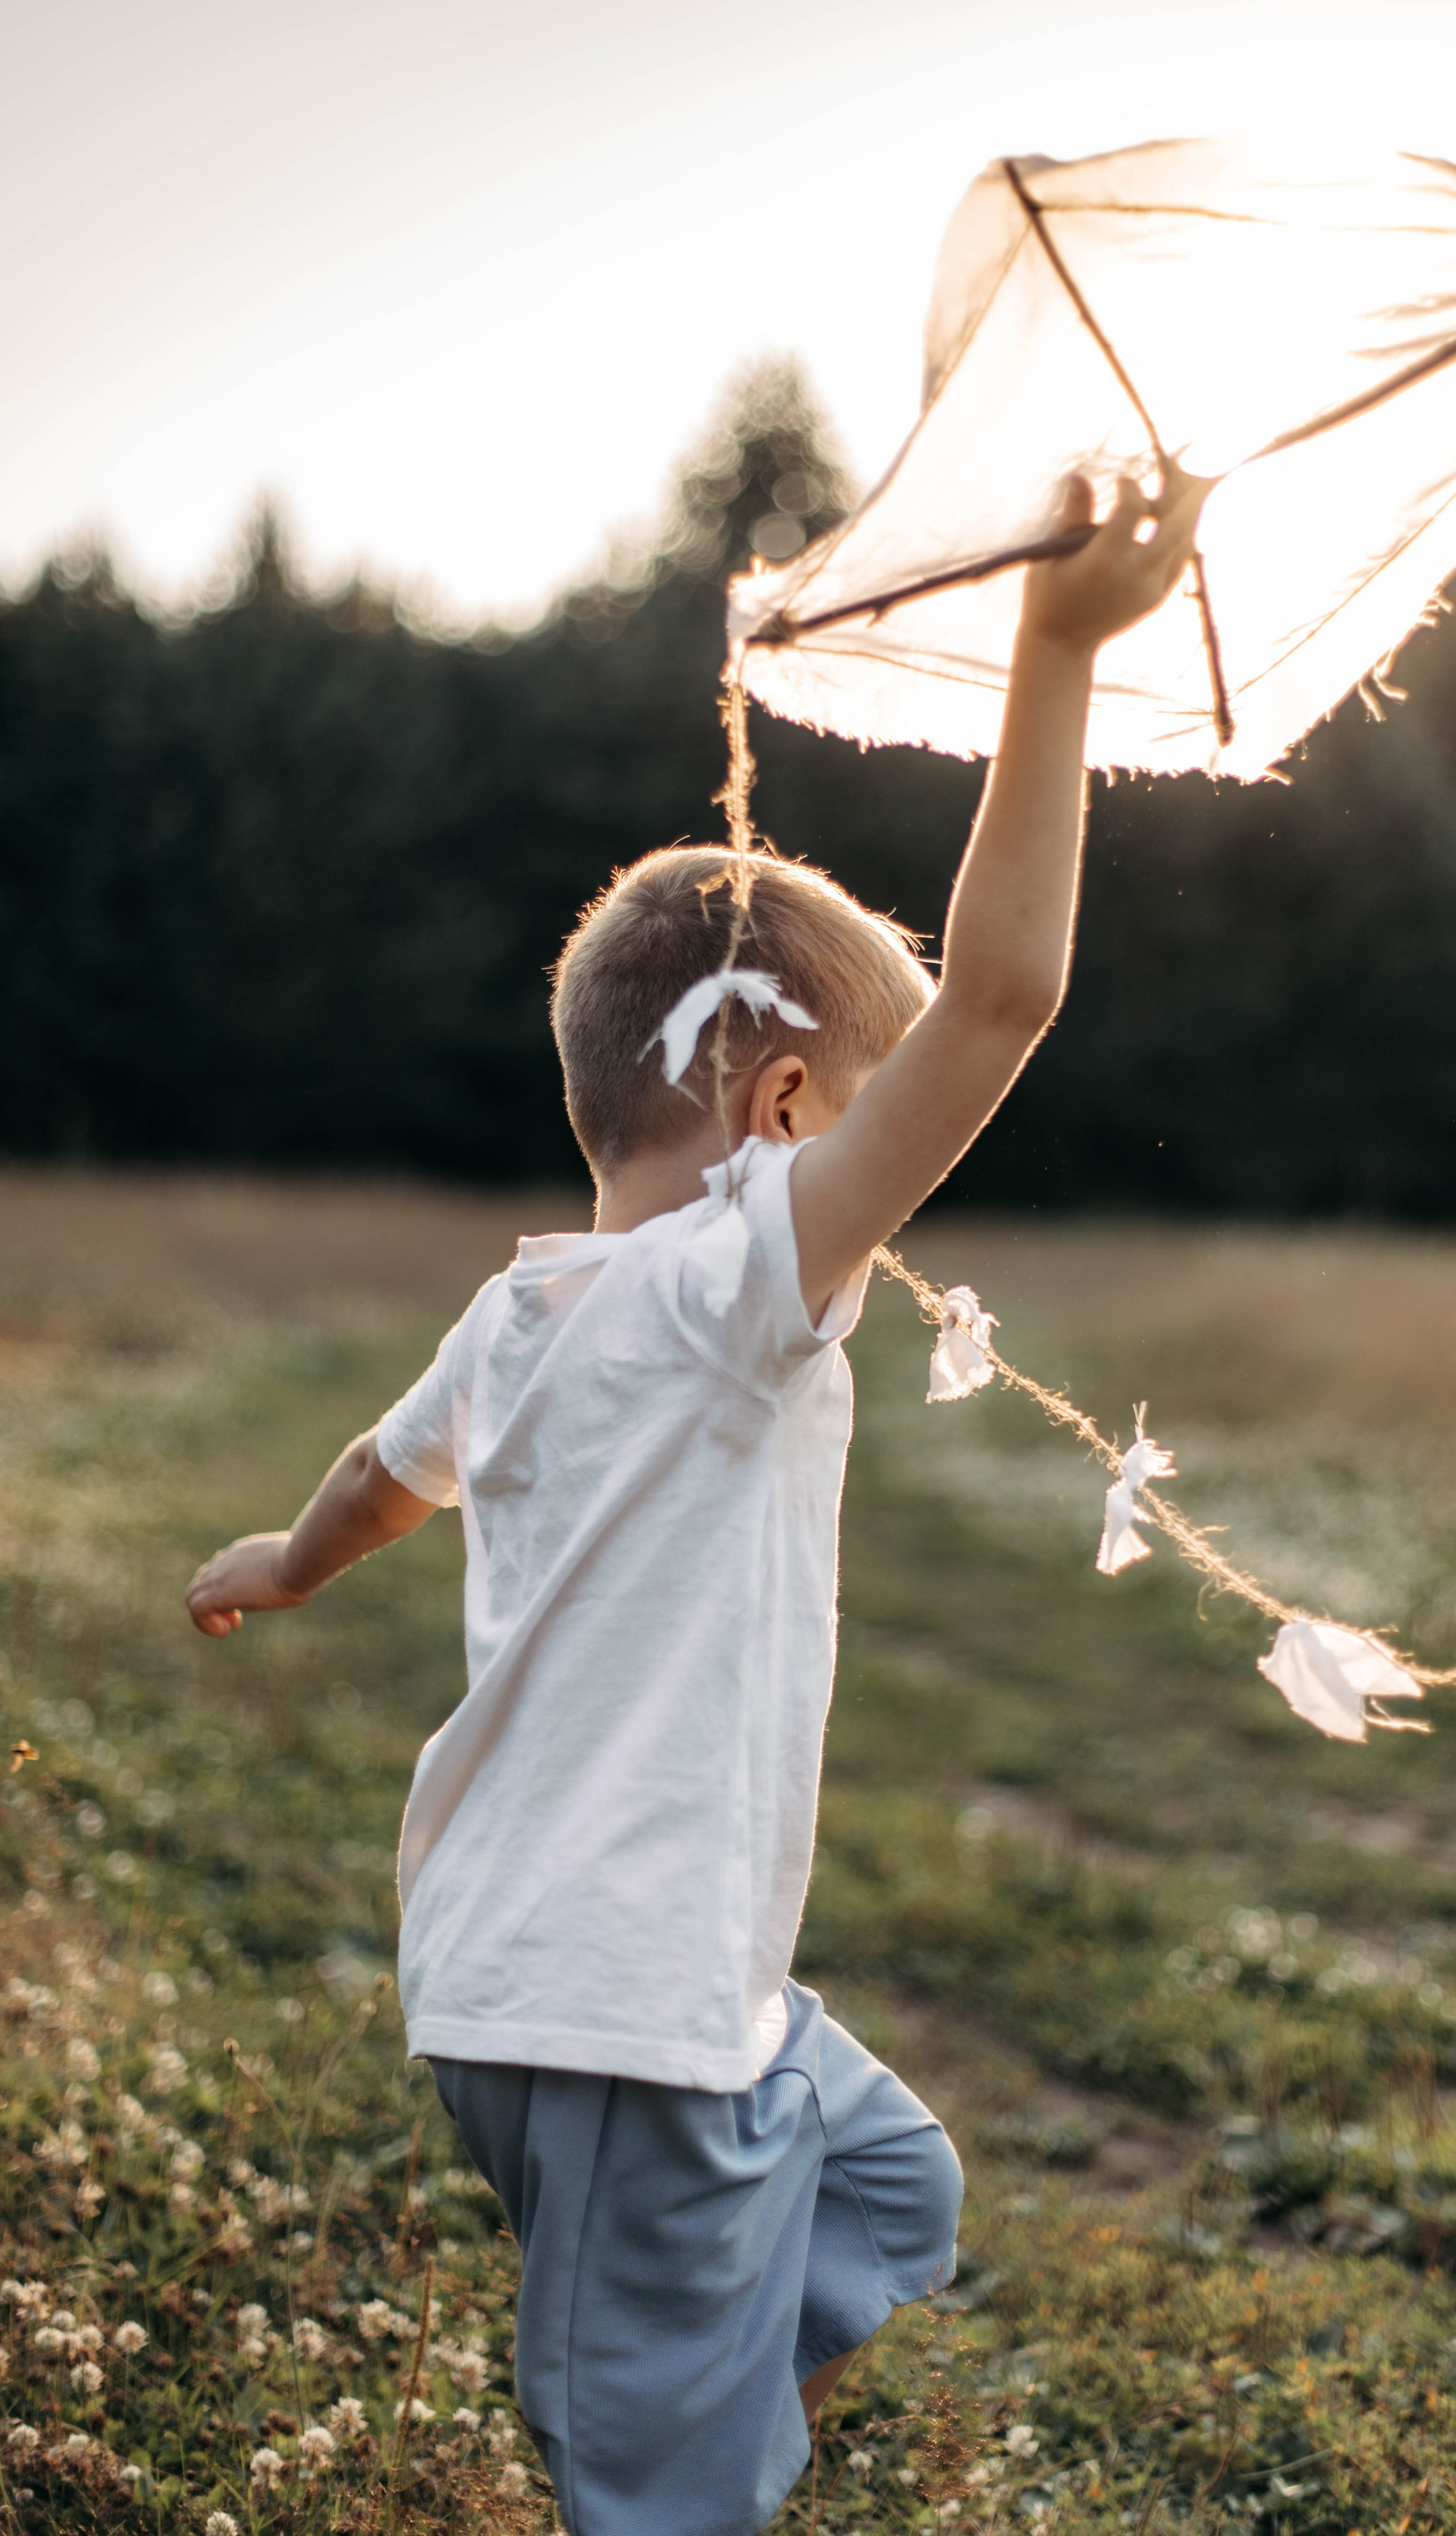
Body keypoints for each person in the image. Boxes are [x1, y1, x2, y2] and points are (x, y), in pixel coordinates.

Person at [184, 467, 1205, 2536]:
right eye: (872, 1118)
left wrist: (285, 1566)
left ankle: (685, 2385)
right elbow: (1005, 999)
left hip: (600, 1978)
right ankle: (668, 2451)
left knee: (889, 2178)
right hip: (621, 2022)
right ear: (786, 1113)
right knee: (662, 2495)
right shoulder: (744, 1275)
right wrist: (1061, 649)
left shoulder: (525, 1310)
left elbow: (386, 1483)